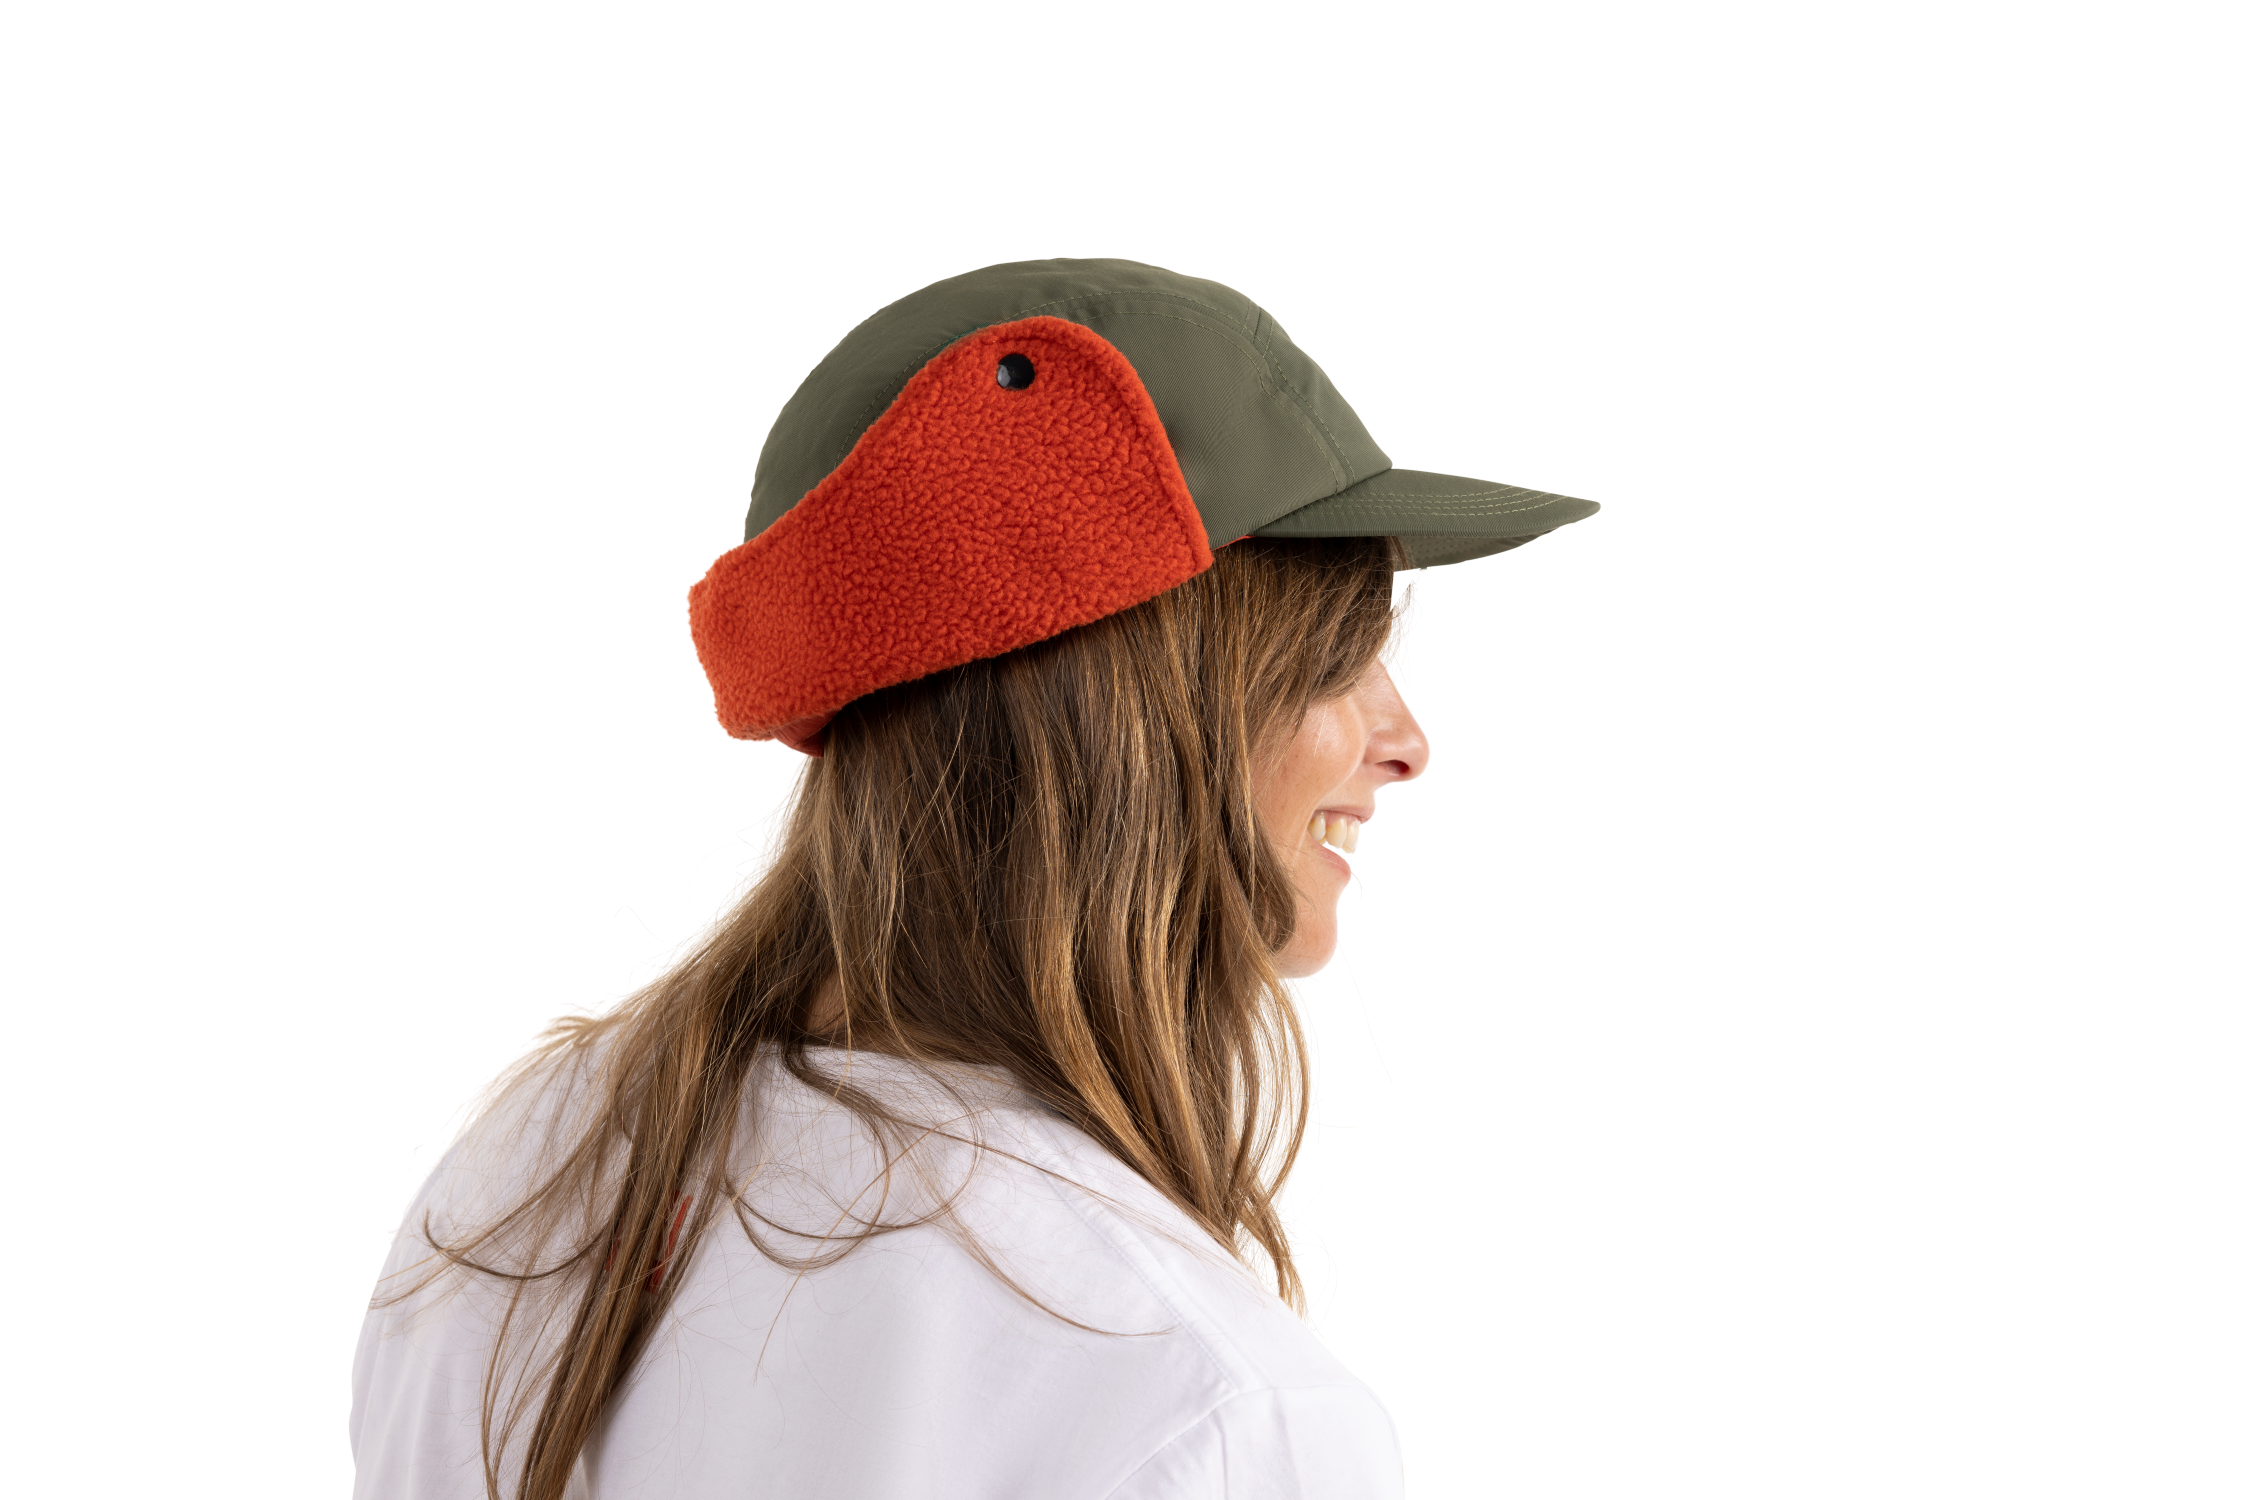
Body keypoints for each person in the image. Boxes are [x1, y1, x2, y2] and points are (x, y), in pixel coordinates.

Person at [350, 258, 1599, 1499]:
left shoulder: (526, 1169)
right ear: (1139, 720)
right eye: (1337, 662)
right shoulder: (1213, 1407)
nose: (1406, 743)